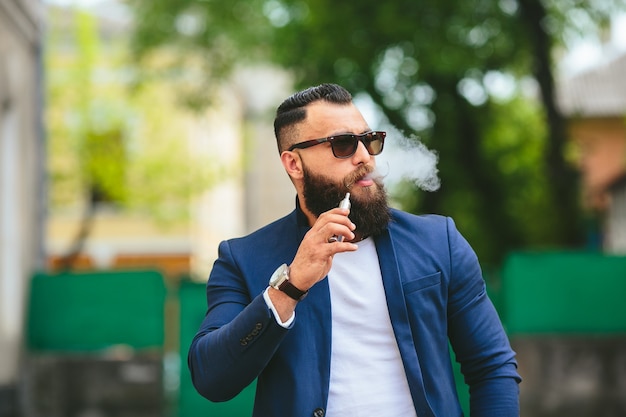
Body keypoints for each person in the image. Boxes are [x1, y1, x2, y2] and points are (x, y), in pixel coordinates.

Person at [188, 83, 521, 416]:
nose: (365, 157)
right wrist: (289, 287)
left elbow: (492, 366)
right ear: (294, 163)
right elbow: (212, 379)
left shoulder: (438, 242)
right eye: (343, 144)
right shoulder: (244, 258)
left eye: (370, 140)